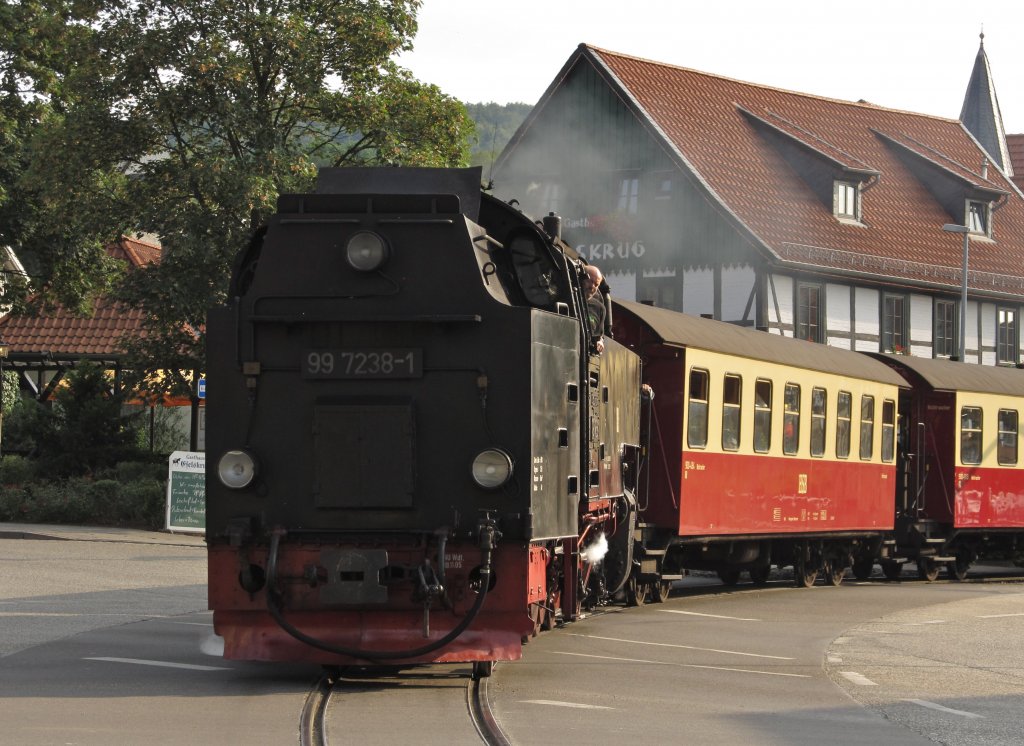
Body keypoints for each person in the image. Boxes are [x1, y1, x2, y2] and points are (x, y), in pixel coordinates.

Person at [582, 264, 612, 354]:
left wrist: (600, 342)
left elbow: (599, 336)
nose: (592, 286)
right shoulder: (565, 299)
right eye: (590, 281)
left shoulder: (599, 308)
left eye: (596, 284)